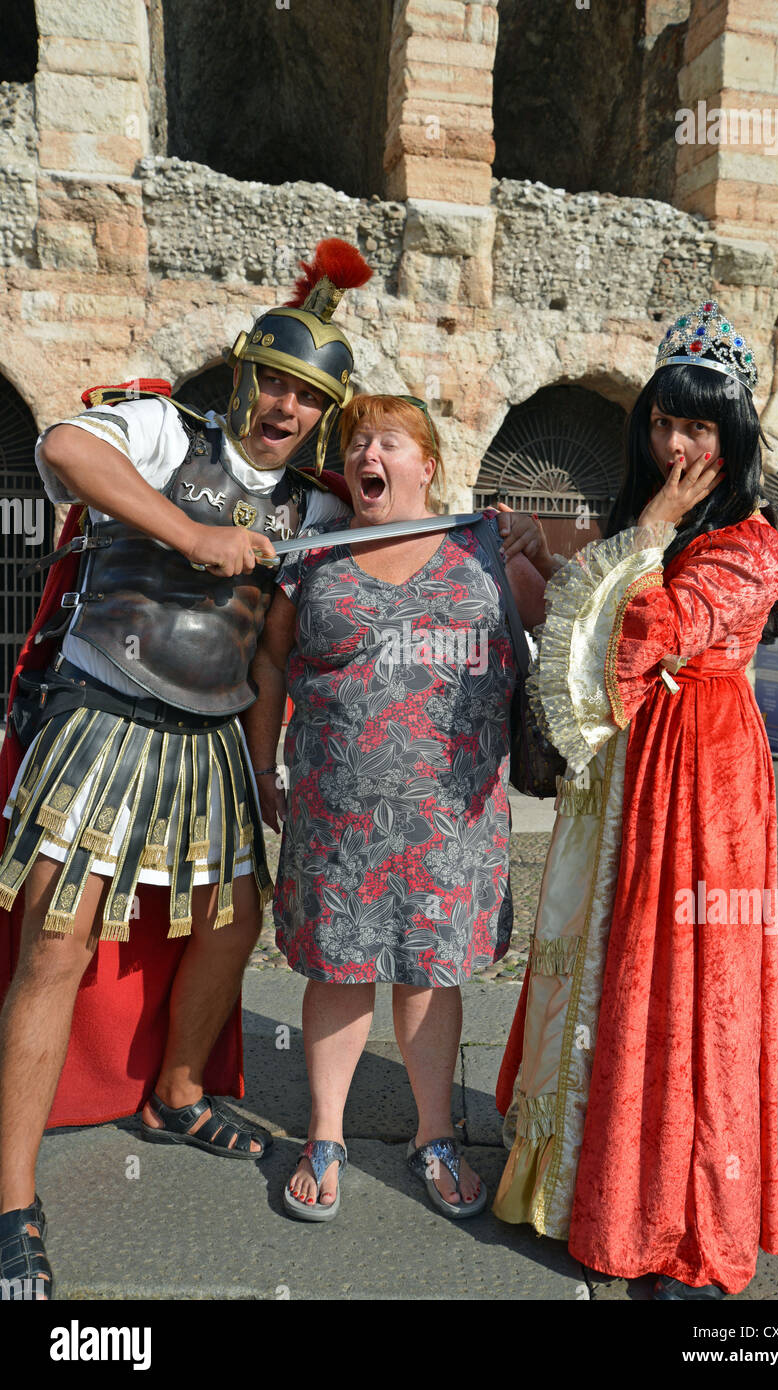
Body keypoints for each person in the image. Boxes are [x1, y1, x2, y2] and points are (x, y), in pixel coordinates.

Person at [0, 239, 370, 1298]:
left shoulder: (314, 507)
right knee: (58, 945)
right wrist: (187, 533)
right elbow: (68, 447)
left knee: (231, 923)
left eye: (309, 397)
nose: (285, 408)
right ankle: (12, 1202)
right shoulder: (164, 428)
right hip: (102, 711)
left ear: (323, 414)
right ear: (245, 377)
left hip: (214, 733)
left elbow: (294, 628)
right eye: (275, 384)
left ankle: (174, 1091)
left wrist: (524, 542)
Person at [493, 300, 778, 1299]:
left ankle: (681, 1222)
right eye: (664, 419)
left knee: (690, 994)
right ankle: (592, 1188)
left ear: (734, 437)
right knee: (614, 978)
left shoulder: (752, 546)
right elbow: (595, 600)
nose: (674, 441)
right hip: (629, 771)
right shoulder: (646, 526)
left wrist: (645, 536)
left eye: (699, 426)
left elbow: (643, 632)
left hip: (705, 783)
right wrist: (552, 551)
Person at [244, 393, 546, 1221]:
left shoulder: (483, 550)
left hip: (450, 819)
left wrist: (544, 552)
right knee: (337, 970)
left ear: (427, 464)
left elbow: (576, 631)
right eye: (356, 445)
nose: (367, 456)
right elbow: (272, 661)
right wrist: (262, 764)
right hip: (335, 811)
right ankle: (326, 1135)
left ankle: (434, 1137)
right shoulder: (315, 556)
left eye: (387, 442)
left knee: (429, 973)